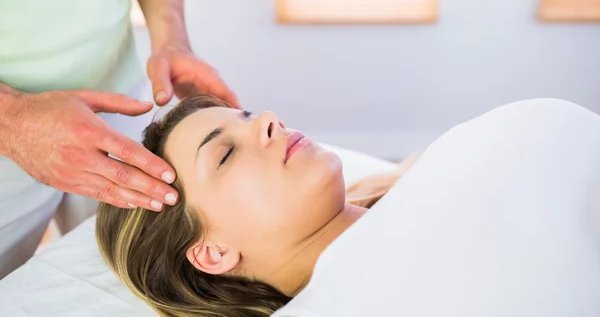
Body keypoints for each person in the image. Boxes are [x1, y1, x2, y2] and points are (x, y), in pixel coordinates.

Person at [96, 96, 600, 317]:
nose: (267, 120)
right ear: (212, 253)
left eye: (247, 115)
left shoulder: (419, 182)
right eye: (225, 153)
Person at [0, 0, 238, 279]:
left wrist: (171, 36)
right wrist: (12, 122)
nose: (272, 120)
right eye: (225, 156)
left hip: (117, 90)